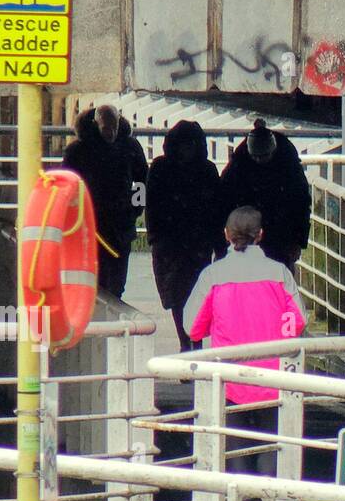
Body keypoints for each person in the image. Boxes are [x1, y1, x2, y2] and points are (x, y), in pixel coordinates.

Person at [183, 207, 305, 476]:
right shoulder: (279, 273)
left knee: (234, 453)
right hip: (274, 379)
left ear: (226, 235)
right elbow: (298, 321)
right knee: (272, 449)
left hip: (230, 379)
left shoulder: (212, 276)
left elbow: (192, 328)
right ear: (260, 235)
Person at [146, 120, 224, 352]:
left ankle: (192, 341)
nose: (186, 150)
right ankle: (187, 340)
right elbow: (152, 206)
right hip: (172, 244)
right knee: (178, 297)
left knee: (193, 295)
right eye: (183, 144)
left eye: (191, 144)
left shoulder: (206, 170)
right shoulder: (161, 168)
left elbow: (217, 210)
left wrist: (218, 244)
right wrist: (156, 237)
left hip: (195, 244)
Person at [61, 105, 148, 300]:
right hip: (91, 225)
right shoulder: (78, 150)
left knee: (116, 283)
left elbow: (142, 181)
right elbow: (68, 185)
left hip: (118, 224)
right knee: (95, 280)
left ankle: (105, 318)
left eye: (113, 129)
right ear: (96, 124)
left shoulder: (130, 147)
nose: (111, 134)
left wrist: (136, 209)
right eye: (106, 129)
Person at [216, 119, 311, 272]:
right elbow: (223, 201)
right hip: (268, 234)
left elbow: (301, 204)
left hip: (273, 236)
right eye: (256, 157)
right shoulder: (240, 168)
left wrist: (298, 241)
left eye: (263, 156)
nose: (260, 160)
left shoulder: (287, 168)